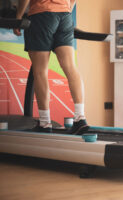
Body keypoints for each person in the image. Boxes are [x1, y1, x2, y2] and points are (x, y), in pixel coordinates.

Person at [13, 0, 89, 134]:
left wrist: (18, 17)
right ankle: (80, 118)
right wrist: (68, 8)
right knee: (70, 67)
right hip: (65, 16)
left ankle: (44, 122)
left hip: (41, 14)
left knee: (40, 71)